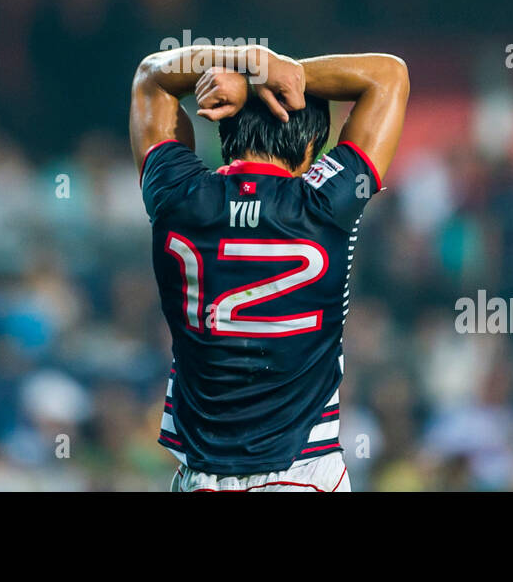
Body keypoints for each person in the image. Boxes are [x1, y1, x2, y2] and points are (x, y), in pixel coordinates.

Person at [129, 43, 408, 491]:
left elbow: (152, 76)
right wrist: (279, 70)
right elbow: (389, 74)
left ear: (224, 129)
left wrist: (249, 64)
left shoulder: (177, 197)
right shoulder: (324, 205)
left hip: (202, 476)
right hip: (303, 470)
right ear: (314, 147)